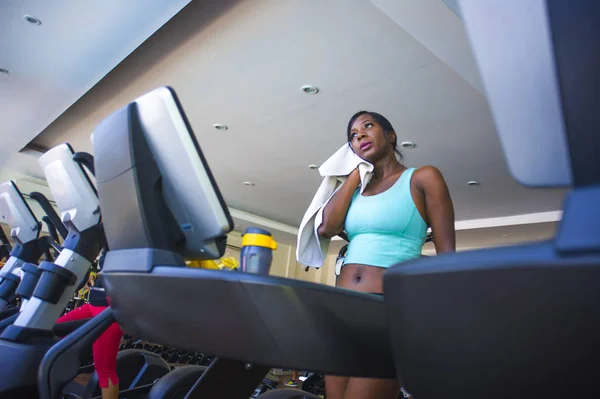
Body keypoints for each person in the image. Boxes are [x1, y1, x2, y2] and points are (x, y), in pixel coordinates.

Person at [317, 111, 456, 399]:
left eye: (368, 126)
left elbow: (447, 260)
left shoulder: (423, 177)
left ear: (391, 136)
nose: (360, 136)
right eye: (353, 135)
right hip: (342, 308)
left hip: (388, 310)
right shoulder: (355, 191)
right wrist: (355, 174)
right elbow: (326, 228)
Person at [56, 250, 123, 399]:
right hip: (91, 305)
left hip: (108, 312)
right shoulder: (110, 242)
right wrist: (93, 276)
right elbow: (105, 271)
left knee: (104, 369)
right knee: (50, 332)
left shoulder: (130, 245)